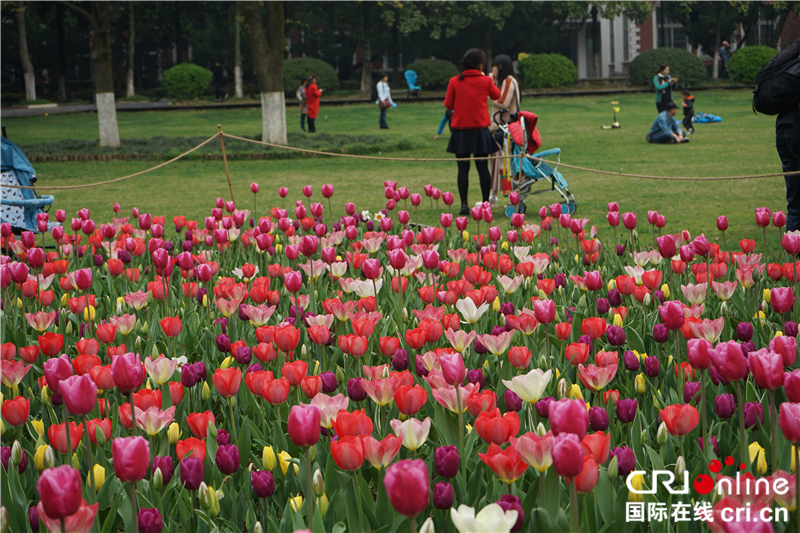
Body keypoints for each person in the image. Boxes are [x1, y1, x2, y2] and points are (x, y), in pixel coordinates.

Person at [444, 48, 502, 216]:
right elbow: (497, 95)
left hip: (461, 130)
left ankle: (464, 205)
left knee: (463, 169)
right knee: (483, 169)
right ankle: (485, 203)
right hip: (479, 130)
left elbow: (448, 104)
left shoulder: (455, 81)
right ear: (480, 64)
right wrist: (489, 78)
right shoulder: (485, 81)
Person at [487, 54, 520, 208]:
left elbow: (503, 102)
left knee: (497, 162)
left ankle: (493, 196)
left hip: (502, 128)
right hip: (508, 129)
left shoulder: (507, 81)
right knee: (503, 163)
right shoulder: (511, 80)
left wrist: (488, 92)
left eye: (494, 66)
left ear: (499, 67)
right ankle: (499, 195)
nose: (492, 69)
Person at [774, 40, 800, 232]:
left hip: (782, 129)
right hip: (796, 131)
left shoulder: (788, 67)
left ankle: (791, 257)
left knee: (795, 200)